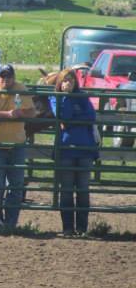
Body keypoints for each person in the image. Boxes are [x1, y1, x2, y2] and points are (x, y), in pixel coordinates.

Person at [0, 63, 37, 230]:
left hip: (16, 144)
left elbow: (32, 112)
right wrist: (7, 115)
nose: (5, 79)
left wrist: (20, 114)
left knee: (15, 187)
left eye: (8, 76)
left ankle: (9, 223)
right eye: (3, 76)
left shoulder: (21, 89)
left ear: (13, 77)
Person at [49, 67, 99, 236]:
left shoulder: (83, 96)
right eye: (64, 80)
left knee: (83, 190)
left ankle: (82, 228)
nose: (68, 83)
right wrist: (67, 99)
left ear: (75, 81)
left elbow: (91, 117)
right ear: (60, 83)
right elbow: (63, 116)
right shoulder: (56, 98)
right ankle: (68, 228)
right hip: (66, 150)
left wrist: (70, 122)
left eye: (70, 80)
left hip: (84, 149)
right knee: (67, 190)